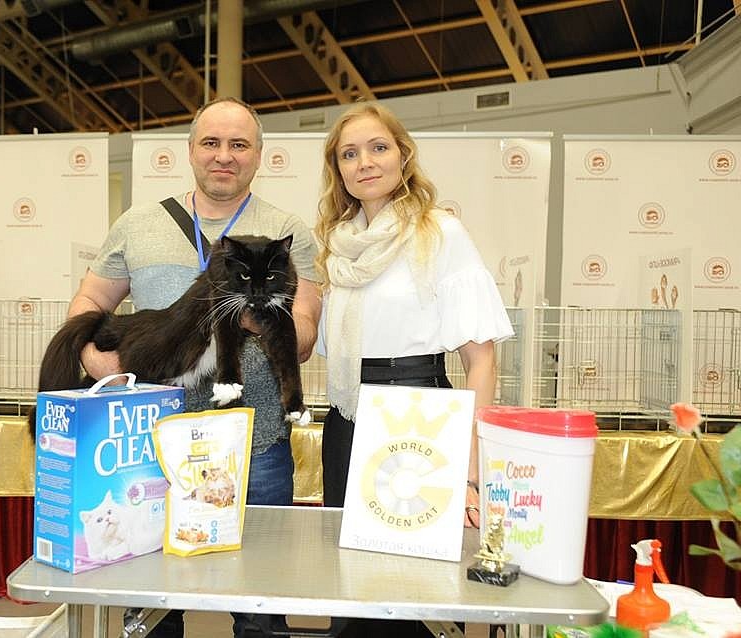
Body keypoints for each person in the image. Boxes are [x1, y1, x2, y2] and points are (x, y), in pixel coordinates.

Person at [70, 96, 321, 638]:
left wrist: (249, 307)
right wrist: (95, 360)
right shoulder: (138, 224)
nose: (224, 155)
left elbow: (303, 334)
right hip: (147, 446)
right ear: (190, 151)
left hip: (255, 445)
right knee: (150, 608)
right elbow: (89, 302)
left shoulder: (284, 231)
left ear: (258, 156)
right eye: (211, 142)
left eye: (239, 144)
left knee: (260, 605)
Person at [315, 103, 513, 636]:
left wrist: (470, 472)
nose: (364, 162)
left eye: (378, 147)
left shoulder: (440, 233)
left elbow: (481, 360)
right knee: (351, 592)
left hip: (419, 420)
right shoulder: (336, 247)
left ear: (403, 155)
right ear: (338, 170)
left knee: (412, 594)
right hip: (347, 421)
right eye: (349, 154)